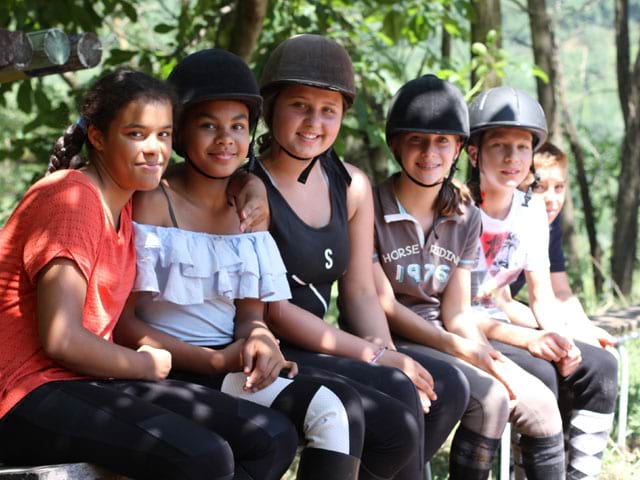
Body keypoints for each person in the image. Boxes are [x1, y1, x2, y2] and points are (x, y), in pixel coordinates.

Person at [0, 70, 300, 480]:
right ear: (99, 138)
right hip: (21, 395)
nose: (154, 149)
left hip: (87, 383)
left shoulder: (125, 204)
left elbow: (218, 180)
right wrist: (144, 365)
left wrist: (252, 185)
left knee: (270, 437)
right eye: (136, 134)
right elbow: (61, 337)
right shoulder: (70, 200)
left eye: (163, 135)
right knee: (203, 457)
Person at [115, 48, 367, 480]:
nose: (226, 139)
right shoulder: (153, 202)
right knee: (288, 427)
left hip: (230, 366)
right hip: (170, 366)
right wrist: (213, 362)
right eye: (208, 125)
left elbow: (251, 316)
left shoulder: (248, 204)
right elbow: (123, 324)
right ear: (177, 132)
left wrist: (262, 342)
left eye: (239, 126)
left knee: (341, 408)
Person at [252, 33, 470, 479]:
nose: (314, 121)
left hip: (323, 339)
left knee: (446, 384)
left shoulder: (351, 186)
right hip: (275, 345)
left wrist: (388, 350)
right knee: (398, 389)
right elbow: (273, 311)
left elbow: (359, 292)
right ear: (271, 107)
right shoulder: (250, 190)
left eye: (328, 110)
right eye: (299, 105)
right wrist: (375, 359)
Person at [372, 74, 574, 480]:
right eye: (417, 140)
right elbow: (383, 305)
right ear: (395, 144)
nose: (430, 153)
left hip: (444, 332)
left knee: (539, 405)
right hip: (395, 336)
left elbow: (458, 311)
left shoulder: (463, 215)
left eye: (443, 141)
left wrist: (485, 354)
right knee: (490, 398)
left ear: (460, 149)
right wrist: (464, 350)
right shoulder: (371, 204)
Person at [466, 86, 618, 479]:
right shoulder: (458, 208)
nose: (513, 158)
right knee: (542, 371)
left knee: (599, 364)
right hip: (464, 327)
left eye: (522, 147)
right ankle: (529, 472)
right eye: (499, 145)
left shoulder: (532, 211)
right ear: (473, 152)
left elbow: (543, 298)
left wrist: (564, 338)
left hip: (505, 322)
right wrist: (536, 341)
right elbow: (457, 309)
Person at [505, 141, 619, 479]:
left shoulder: (547, 223)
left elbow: (560, 290)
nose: (552, 198)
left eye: (560, 187)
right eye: (540, 187)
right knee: (550, 366)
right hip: (491, 321)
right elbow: (495, 300)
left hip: (523, 315)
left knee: (599, 360)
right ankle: (526, 470)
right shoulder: (507, 215)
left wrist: (584, 329)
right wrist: (555, 333)